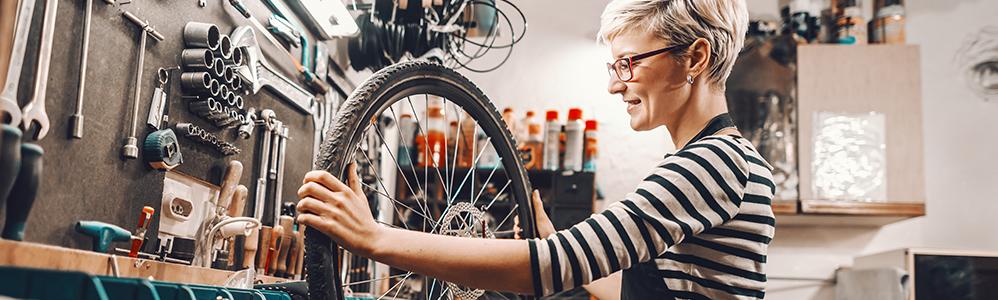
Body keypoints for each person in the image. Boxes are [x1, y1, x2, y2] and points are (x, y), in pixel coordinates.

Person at [296, 0, 775, 299]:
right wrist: (551, 240)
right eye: (614, 66)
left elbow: (551, 267)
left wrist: (375, 238)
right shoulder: (722, 161)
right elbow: (639, 289)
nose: (615, 85)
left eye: (627, 63)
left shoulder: (713, 164)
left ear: (694, 57)